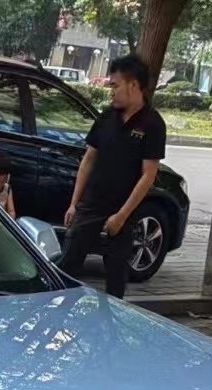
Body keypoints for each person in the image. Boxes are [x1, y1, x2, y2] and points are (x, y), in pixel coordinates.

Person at [59, 53, 166, 299]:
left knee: (116, 276)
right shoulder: (107, 117)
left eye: (115, 86)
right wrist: (74, 203)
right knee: (69, 262)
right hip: (92, 203)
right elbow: (88, 159)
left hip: (124, 210)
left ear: (133, 85)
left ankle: (110, 318)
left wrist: (121, 216)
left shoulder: (153, 124)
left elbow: (148, 176)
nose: (111, 92)